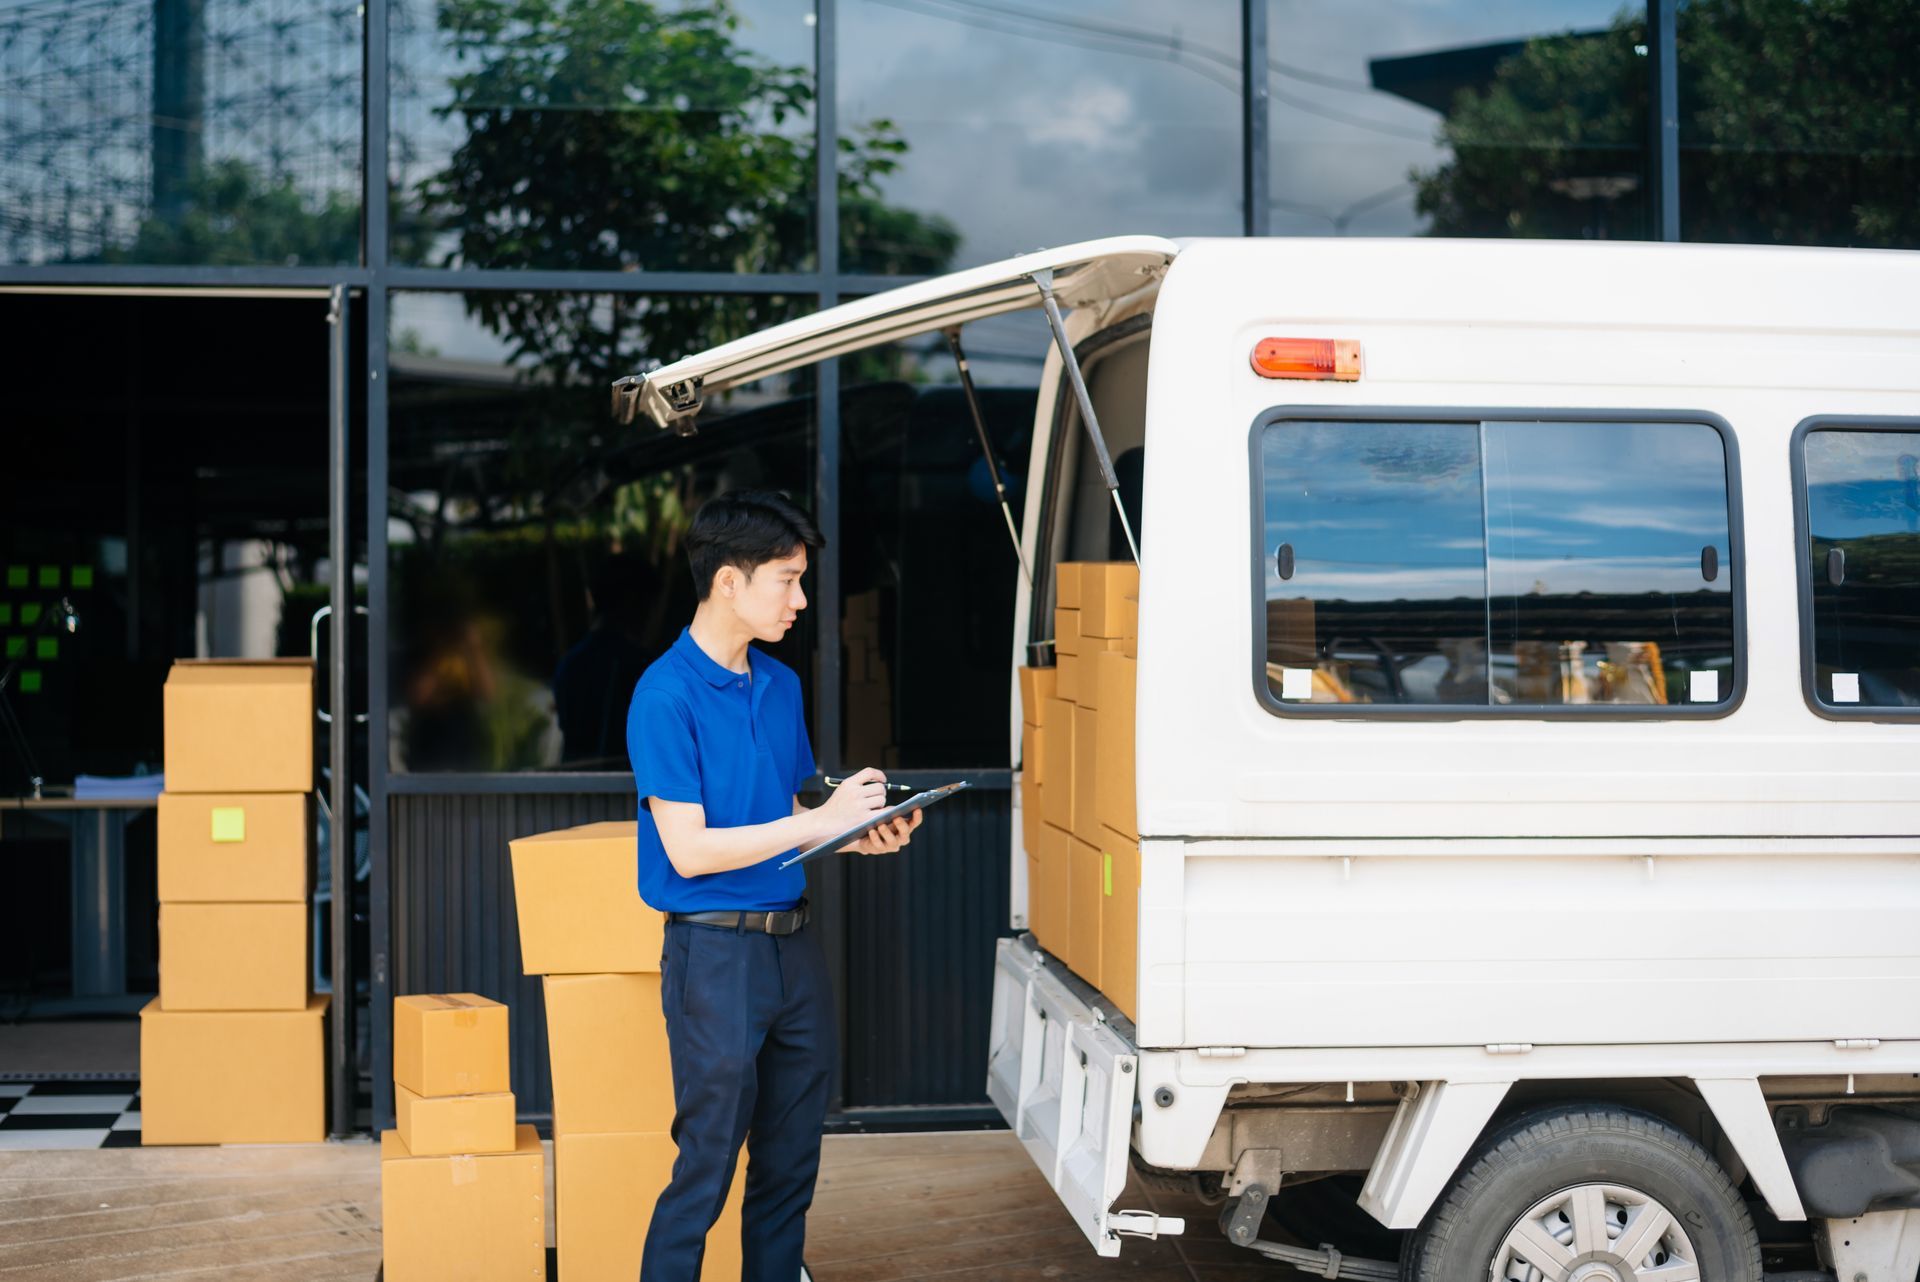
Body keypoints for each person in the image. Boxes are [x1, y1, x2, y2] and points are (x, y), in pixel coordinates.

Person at [627, 489, 923, 1281]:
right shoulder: (664, 695)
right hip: (713, 958)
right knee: (706, 1168)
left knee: (790, 1165)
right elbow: (687, 851)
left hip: (793, 950)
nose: (799, 599)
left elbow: (791, 810)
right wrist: (819, 822)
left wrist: (858, 836)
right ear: (729, 581)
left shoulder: (779, 684)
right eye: (786, 581)